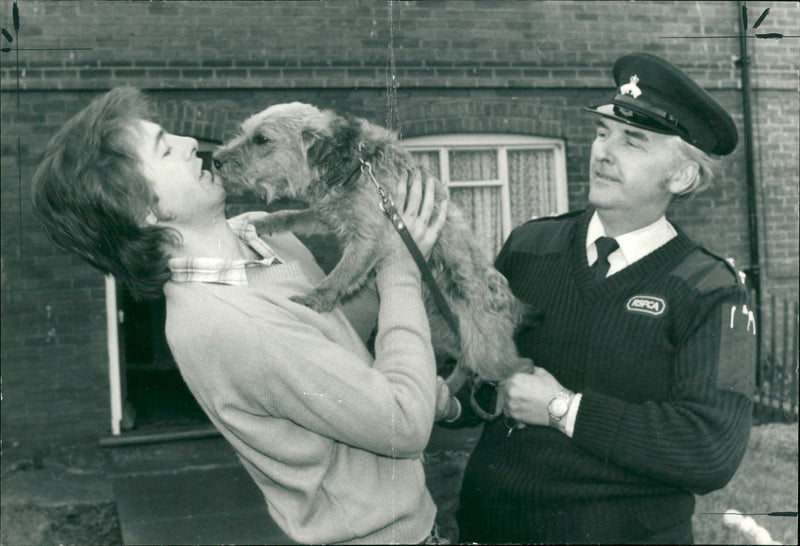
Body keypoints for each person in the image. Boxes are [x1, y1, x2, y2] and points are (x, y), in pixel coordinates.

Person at [32, 86, 452, 545]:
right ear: (142, 211)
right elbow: (403, 425)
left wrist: (374, 258)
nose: (189, 142)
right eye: (164, 148)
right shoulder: (230, 325)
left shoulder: (258, 236)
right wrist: (398, 268)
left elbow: (328, 344)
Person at [442, 53, 757, 544]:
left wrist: (563, 408)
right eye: (602, 133)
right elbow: (482, 375)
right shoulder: (529, 246)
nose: (602, 152)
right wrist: (448, 404)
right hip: (491, 527)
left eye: (632, 141)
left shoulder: (711, 290)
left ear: (681, 177)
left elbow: (709, 449)